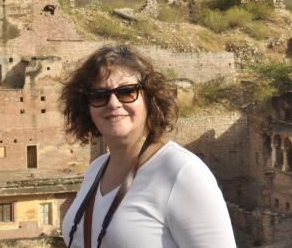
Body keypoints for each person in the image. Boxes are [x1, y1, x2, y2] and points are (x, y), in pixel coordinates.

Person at [59, 45, 236, 247]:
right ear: (87, 107)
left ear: (149, 100)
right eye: (99, 95)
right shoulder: (96, 170)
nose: (113, 103)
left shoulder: (181, 173)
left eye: (126, 92)